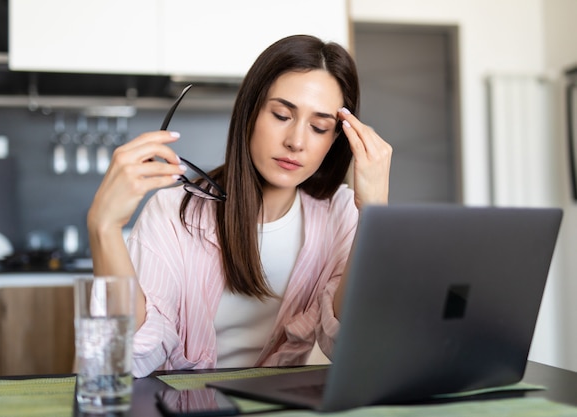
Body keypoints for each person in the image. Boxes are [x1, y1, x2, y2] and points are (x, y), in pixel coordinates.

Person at [87, 34, 392, 377]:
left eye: (319, 127)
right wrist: (104, 227)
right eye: (281, 115)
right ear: (249, 113)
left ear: (336, 139)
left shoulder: (340, 215)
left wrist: (374, 214)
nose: (296, 142)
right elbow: (130, 358)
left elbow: (351, 346)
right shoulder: (172, 211)